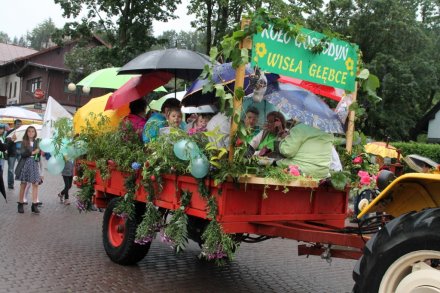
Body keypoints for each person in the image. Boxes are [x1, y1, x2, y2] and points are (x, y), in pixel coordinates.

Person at [15, 126, 42, 214]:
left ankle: (34, 205)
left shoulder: (37, 142)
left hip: (34, 164)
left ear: (35, 133)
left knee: (35, 184)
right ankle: (20, 203)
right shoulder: (24, 142)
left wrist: (39, 151)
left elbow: (39, 157)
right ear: (27, 133)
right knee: (23, 184)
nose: (31, 133)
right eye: (29, 131)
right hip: (25, 164)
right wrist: (33, 152)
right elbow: (22, 153)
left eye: (33, 131)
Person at [6, 119, 22, 189]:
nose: (19, 125)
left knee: (22, 168)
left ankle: (23, 183)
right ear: (14, 124)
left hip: (20, 152)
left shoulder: (23, 132)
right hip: (12, 153)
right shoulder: (10, 132)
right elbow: (7, 143)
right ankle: (10, 184)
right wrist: (12, 139)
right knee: (10, 169)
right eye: (17, 124)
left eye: (20, 124)